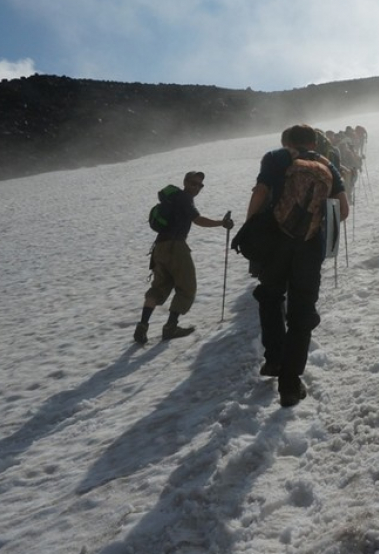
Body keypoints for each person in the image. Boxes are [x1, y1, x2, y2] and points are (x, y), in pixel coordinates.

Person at [246, 124, 349, 406]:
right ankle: (290, 384)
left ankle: (274, 360)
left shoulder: (275, 158)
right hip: (310, 245)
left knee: (269, 296)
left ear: (286, 141)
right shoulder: (327, 164)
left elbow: (260, 191)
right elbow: (343, 210)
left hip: (274, 242)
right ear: (314, 142)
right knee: (302, 311)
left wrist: (251, 225)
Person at [135, 171, 234, 345]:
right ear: (185, 182)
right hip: (176, 247)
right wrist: (221, 223)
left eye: (200, 185)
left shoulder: (171, 199)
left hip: (159, 248)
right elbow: (198, 220)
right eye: (193, 183)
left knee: (158, 287)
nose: (196, 187)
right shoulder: (184, 198)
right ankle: (171, 327)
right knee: (187, 286)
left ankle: (142, 326)